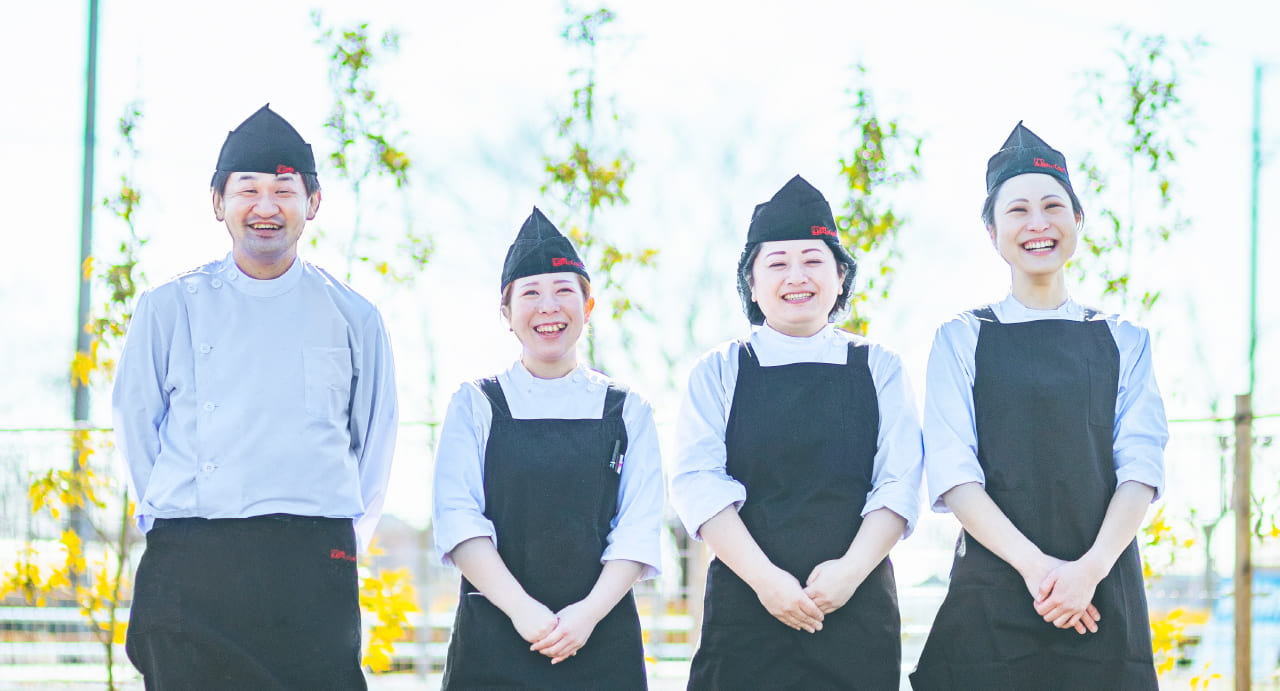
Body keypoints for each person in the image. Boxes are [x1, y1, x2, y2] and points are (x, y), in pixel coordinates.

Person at [112, 104, 398, 689]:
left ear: (313, 203)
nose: (266, 207)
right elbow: (136, 425)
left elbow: (374, 441)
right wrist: (171, 525)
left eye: (284, 191)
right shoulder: (168, 307)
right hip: (191, 560)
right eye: (248, 190)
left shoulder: (353, 315)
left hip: (312, 565)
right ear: (218, 202)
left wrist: (339, 541)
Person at [909, 122, 1167, 689]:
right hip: (992, 600)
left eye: (1053, 207)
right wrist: (1043, 572)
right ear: (992, 232)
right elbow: (955, 475)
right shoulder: (962, 338)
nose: (1037, 224)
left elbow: (1141, 469)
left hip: (1101, 593)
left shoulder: (1124, 339)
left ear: (1077, 219)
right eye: (1017, 211)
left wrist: (1088, 571)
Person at [670, 175, 924, 690]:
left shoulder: (880, 366)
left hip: (856, 610)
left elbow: (899, 481)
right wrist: (767, 582)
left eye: (813, 260)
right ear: (751, 282)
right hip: (746, 612)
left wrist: (848, 573)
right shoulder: (719, 370)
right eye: (777, 263)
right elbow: (697, 482)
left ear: (840, 275)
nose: (796, 277)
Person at [431, 207, 663, 690]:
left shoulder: (627, 410)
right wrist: (523, 611)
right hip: (494, 636)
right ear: (506, 312)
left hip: (601, 638)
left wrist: (586, 615)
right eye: (531, 293)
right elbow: (458, 519)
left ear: (588, 306)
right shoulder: (476, 404)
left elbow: (638, 529)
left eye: (563, 291)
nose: (549, 307)